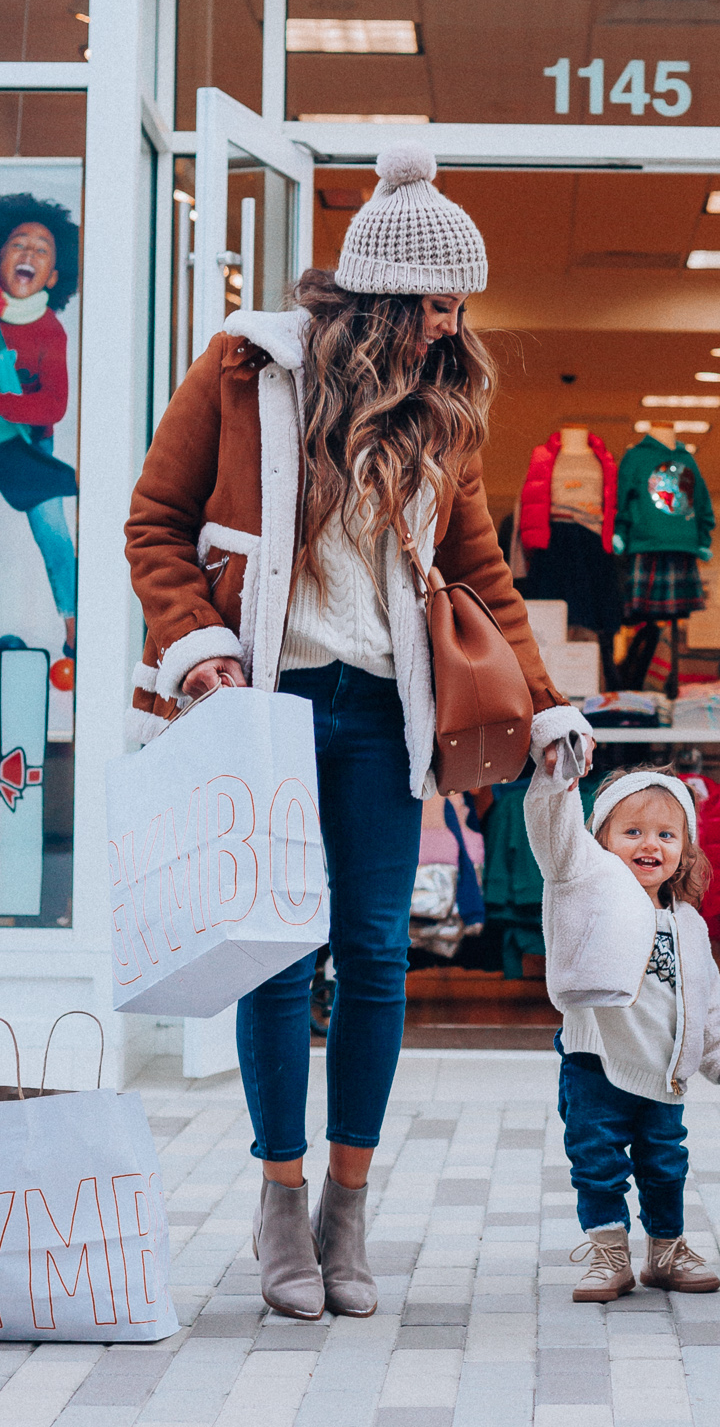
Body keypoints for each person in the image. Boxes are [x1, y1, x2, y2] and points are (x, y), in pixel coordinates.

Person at [125, 146, 589, 1323]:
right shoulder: (244, 372)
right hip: (268, 706)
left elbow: (481, 569)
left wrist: (543, 705)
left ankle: (347, 1203)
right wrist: (197, 644)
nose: (450, 327)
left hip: (387, 714)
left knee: (377, 956)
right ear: (381, 293)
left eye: (458, 307)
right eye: (436, 303)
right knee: (279, 947)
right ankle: (277, 1195)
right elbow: (154, 520)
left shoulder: (439, 419)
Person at [524, 757, 720, 1302]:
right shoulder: (581, 891)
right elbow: (551, 831)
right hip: (597, 1061)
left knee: (665, 1162)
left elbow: (707, 1004)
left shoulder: (689, 923)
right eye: (631, 832)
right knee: (597, 1159)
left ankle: (665, 1251)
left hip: (663, 1068)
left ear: (685, 847)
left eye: (665, 834)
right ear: (598, 841)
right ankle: (609, 1252)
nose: (648, 844)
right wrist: (558, 778)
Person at [0, 193, 79, 656]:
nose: (29, 253)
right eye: (18, 245)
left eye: (42, 250)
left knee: (56, 537)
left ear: (53, 276)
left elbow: (53, 406)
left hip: (26, 448)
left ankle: (75, 630)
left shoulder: (49, 331)